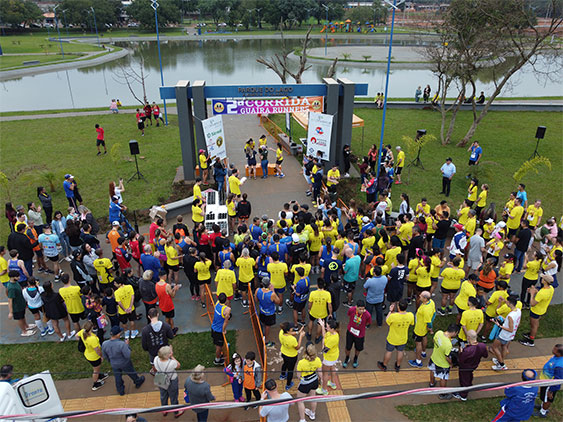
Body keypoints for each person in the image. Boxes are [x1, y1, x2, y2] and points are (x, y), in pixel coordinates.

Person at [102, 325, 145, 395]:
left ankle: (120, 390)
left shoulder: (104, 344)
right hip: (125, 363)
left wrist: (110, 361)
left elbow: (104, 355)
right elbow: (127, 355)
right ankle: (138, 381)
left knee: (117, 377)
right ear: (118, 334)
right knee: (131, 372)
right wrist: (127, 345)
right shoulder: (121, 344)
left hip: (114, 363)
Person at [378, 299, 414, 372]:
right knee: (400, 351)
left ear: (398, 307)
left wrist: (390, 311)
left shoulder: (393, 316)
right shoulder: (410, 315)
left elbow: (387, 321)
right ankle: (398, 366)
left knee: (389, 351)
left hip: (392, 338)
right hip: (403, 338)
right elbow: (412, 323)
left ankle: (384, 365)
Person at [520, 274, 554, 347]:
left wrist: (532, 294)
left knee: (533, 326)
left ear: (545, 281)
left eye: (543, 278)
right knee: (535, 324)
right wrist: (535, 291)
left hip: (536, 311)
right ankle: (531, 334)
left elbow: (532, 303)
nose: (541, 279)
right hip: (542, 309)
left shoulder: (542, 293)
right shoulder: (551, 288)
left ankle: (530, 340)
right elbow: (542, 296)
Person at [428, 324, 459, 399]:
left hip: (434, 358)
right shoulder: (448, 345)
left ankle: (432, 383)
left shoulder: (439, 333)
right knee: (443, 378)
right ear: (454, 332)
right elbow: (447, 357)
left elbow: (434, 340)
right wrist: (451, 364)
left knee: (432, 371)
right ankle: (442, 394)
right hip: (443, 364)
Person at [454, 330, 488, 401]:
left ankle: (463, 395)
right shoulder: (482, 346)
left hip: (465, 367)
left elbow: (460, 360)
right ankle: (469, 384)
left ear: (468, 337)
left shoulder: (467, 351)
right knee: (469, 376)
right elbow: (485, 355)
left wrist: (461, 352)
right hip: (474, 365)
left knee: (464, 380)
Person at [491, 296, 521, 371]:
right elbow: (516, 323)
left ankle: (501, 365)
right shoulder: (518, 311)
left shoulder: (511, 316)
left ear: (509, 303)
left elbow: (510, 329)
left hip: (504, 335)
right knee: (504, 347)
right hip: (510, 336)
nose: (506, 302)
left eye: (507, 302)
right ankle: (500, 360)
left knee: (494, 347)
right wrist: (503, 318)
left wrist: (500, 326)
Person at [141, 308, 174, 375]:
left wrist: (148, 349)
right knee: (165, 360)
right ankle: (166, 371)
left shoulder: (145, 330)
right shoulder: (166, 326)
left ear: (148, 317)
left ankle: (155, 372)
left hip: (152, 351)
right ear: (158, 314)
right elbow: (171, 336)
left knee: (153, 362)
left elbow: (144, 345)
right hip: (164, 350)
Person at [77, 321, 108, 391]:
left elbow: (77, 336)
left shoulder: (82, 332)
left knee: (96, 368)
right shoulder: (92, 339)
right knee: (96, 370)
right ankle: (95, 383)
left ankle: (99, 376)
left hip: (88, 354)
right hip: (94, 357)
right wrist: (101, 356)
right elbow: (97, 350)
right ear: (91, 328)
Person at [534, 344, 563, 417]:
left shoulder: (559, 365)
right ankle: (542, 406)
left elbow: (557, 380)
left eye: (554, 349)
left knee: (547, 399)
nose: (552, 349)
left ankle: (543, 412)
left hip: (549, 385)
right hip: (545, 382)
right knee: (544, 397)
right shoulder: (557, 357)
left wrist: (551, 391)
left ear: (559, 353)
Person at [153, 345, 182, 417]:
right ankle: (176, 412)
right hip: (171, 380)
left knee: (163, 395)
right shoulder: (171, 363)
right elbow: (178, 365)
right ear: (167, 356)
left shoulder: (156, 358)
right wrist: (172, 356)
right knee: (173, 396)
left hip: (160, 378)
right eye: (170, 353)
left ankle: (164, 410)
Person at [408, 291, 435, 368]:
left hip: (420, 328)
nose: (419, 295)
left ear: (425, 299)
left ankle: (418, 361)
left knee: (418, 343)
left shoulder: (425, 310)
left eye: (421, 296)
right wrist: (429, 328)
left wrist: (430, 328)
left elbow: (428, 322)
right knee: (424, 337)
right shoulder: (431, 302)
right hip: (424, 329)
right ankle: (423, 352)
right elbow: (434, 314)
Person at [296, 344, 322, 422]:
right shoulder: (317, 360)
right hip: (314, 381)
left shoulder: (301, 362)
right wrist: (321, 381)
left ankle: (302, 419)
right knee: (313, 396)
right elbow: (320, 373)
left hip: (305, 383)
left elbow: (298, 375)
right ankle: (312, 414)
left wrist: (301, 381)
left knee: (300, 401)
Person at [7, 270, 36, 337]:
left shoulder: (15, 282)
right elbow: (10, 300)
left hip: (21, 303)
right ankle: (24, 331)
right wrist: (11, 312)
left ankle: (26, 326)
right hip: (16, 307)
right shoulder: (11, 288)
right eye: (17, 276)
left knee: (22, 316)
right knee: (20, 318)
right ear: (12, 277)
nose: (19, 277)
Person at [343, 300, 371, 368]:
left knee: (358, 348)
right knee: (348, 347)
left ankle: (355, 358)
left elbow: (368, 323)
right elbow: (349, 315)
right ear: (356, 307)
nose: (361, 311)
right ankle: (347, 358)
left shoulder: (367, 315)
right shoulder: (352, 309)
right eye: (360, 309)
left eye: (363, 309)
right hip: (350, 332)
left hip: (360, 334)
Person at [317, 318, 339, 395]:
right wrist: (322, 326)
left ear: (332, 328)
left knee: (325, 374)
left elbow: (324, 349)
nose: (326, 328)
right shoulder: (334, 333)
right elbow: (324, 335)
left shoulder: (332, 339)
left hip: (329, 358)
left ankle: (324, 389)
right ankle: (332, 383)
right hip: (334, 355)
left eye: (327, 327)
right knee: (332, 368)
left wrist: (323, 341)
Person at [307, 278, 332, 343]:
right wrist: (330, 313)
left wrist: (309, 309)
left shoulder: (312, 293)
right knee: (320, 324)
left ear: (317, 285)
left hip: (313, 312)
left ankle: (309, 334)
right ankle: (317, 337)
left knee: (311, 321)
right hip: (322, 313)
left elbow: (310, 303)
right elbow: (329, 305)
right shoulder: (327, 294)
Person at [155, 269, 180, 335]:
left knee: (166, 317)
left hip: (162, 304)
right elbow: (173, 295)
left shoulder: (156, 284)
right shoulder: (167, 286)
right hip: (168, 304)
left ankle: (168, 328)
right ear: (164, 276)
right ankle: (172, 330)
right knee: (170, 318)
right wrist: (175, 289)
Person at [211, 293, 231, 365]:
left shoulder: (217, 303)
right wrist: (223, 330)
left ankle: (220, 354)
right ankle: (217, 360)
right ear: (226, 300)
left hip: (213, 327)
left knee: (218, 344)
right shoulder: (227, 310)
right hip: (218, 331)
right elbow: (225, 322)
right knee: (218, 346)